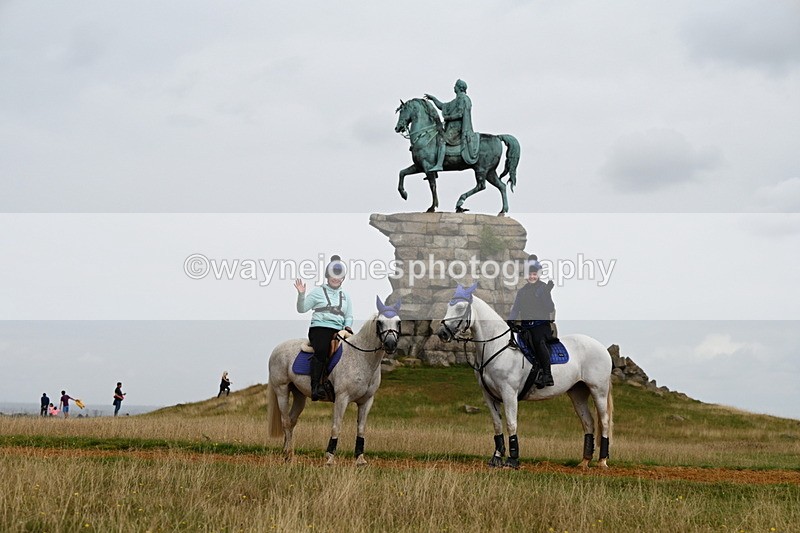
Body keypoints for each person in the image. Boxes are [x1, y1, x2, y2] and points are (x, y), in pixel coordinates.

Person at [294, 254, 353, 401]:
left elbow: (349, 315)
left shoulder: (346, 295)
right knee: (321, 350)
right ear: (327, 276)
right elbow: (302, 309)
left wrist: (347, 326)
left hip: (340, 330)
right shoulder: (317, 292)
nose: (335, 278)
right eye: (332, 275)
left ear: (342, 278)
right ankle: (315, 387)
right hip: (320, 328)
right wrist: (301, 294)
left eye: (338, 276)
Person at [507, 255, 557, 388]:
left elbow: (549, 307)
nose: (532, 277)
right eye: (530, 274)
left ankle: (547, 375)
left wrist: (545, 294)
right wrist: (511, 320)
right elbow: (516, 308)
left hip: (541, 326)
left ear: (538, 275)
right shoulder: (522, 292)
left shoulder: (543, 288)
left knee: (537, 341)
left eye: (534, 274)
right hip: (525, 326)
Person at [424, 79, 480, 170]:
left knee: (441, 140)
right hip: (452, 127)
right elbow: (442, 106)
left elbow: (460, 114)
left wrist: (448, 118)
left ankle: (439, 164)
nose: (454, 87)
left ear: (459, 87)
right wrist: (433, 99)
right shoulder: (457, 99)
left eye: (455, 85)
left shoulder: (463, 98)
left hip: (457, 129)